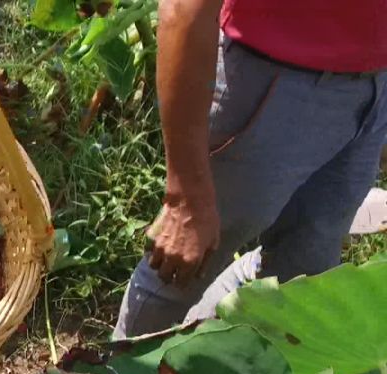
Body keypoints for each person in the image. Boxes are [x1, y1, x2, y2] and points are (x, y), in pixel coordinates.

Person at [114, 0, 387, 339]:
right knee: (185, 263)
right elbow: (184, 9)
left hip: (372, 87)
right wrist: (184, 196)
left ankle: (194, 363)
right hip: (269, 81)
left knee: (300, 270)